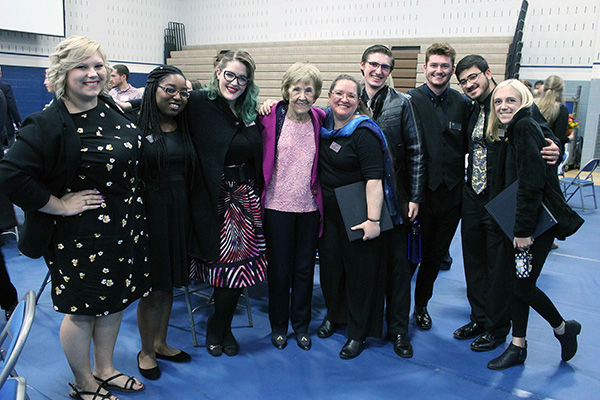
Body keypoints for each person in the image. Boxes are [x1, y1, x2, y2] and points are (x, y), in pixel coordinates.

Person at [0, 36, 150, 400]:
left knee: (114, 302)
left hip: (123, 228)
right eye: (82, 67)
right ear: (64, 73)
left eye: (98, 66)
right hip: (80, 235)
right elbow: (10, 174)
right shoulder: (50, 122)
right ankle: (83, 383)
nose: (92, 73)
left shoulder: (109, 107)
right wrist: (58, 204)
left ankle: (105, 369)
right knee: (83, 311)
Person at [453, 54, 560, 353]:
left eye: (474, 77)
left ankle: (497, 327)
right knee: (473, 262)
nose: (470, 84)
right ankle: (479, 317)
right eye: (463, 81)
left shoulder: (511, 100)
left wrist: (558, 151)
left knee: (498, 266)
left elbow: (546, 137)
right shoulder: (469, 108)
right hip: (472, 196)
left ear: (488, 73)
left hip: (500, 198)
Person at [484, 79, 583, 369]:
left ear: (524, 101)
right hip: (524, 221)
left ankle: (563, 329)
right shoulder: (521, 127)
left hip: (533, 225)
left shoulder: (525, 127)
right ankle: (519, 345)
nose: (503, 106)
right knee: (519, 284)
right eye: (498, 101)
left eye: (510, 101)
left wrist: (523, 231)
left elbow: (531, 183)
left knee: (523, 287)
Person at [187, 50, 267, 357]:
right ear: (218, 72)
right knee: (225, 272)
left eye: (242, 78)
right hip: (215, 201)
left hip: (245, 200)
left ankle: (223, 327)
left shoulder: (249, 112)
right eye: (230, 74)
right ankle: (217, 326)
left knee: (239, 272)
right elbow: (153, 101)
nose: (234, 82)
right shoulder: (198, 103)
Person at [318, 74, 399, 359]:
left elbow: (374, 179)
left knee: (360, 276)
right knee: (330, 271)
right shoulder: (323, 125)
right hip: (328, 216)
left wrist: (373, 220)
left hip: (358, 214)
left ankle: (357, 331)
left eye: (351, 95)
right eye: (339, 93)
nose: (344, 99)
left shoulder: (364, 132)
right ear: (329, 96)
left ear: (358, 101)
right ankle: (334, 316)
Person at [357, 44, 424, 358]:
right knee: (364, 268)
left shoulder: (402, 104)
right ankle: (361, 328)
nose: (378, 71)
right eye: (373, 64)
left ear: (390, 71)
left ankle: (399, 331)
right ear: (362, 65)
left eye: (385, 67)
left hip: (395, 201)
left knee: (398, 270)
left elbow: (416, 151)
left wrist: (415, 196)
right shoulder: (347, 98)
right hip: (357, 200)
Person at [258, 63, 325, 351]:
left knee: (304, 271)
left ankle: (301, 326)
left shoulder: (321, 118)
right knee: (279, 271)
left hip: (309, 209)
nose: (302, 95)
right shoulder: (271, 116)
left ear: (316, 94)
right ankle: (278, 327)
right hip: (276, 207)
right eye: (296, 88)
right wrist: (265, 104)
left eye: (308, 89)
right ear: (286, 91)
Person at [135, 65, 196, 380]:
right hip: (150, 216)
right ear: (153, 89)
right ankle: (145, 350)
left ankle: (160, 342)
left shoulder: (185, 125)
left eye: (183, 91)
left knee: (171, 281)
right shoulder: (134, 125)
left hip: (179, 213)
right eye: (170, 89)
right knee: (153, 288)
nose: (178, 96)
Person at [407, 43, 471, 331]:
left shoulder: (463, 104)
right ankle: (395, 309)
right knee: (407, 258)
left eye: (445, 66)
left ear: (452, 70)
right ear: (425, 68)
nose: (439, 71)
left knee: (433, 258)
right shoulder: (409, 100)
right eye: (434, 65)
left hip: (451, 196)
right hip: (416, 196)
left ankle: (421, 306)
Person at [535, 75, 570, 156]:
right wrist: (569, 138)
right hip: (549, 153)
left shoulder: (533, 104)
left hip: (530, 150)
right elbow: (560, 137)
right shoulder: (561, 109)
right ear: (561, 90)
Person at [0, 66, 22, 146]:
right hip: (6, 129)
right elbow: (12, 107)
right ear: (0, 74)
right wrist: (19, 125)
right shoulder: (5, 87)